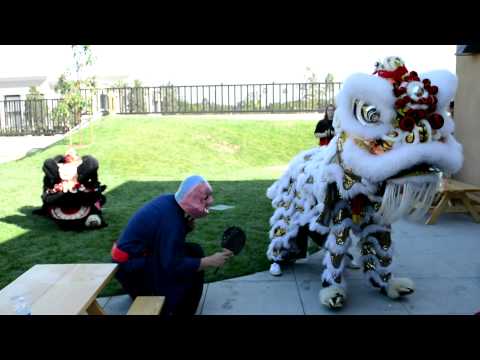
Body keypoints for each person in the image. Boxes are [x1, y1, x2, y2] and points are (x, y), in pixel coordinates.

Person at [111, 175, 233, 316]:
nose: (210, 201)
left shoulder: (170, 202)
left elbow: (168, 242)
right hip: (132, 269)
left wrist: (187, 226)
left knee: (194, 250)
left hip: (133, 259)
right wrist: (210, 261)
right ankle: (182, 309)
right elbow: (172, 264)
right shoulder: (172, 222)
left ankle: (150, 292)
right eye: (205, 198)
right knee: (189, 268)